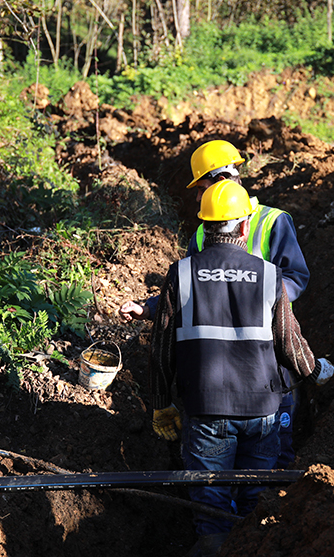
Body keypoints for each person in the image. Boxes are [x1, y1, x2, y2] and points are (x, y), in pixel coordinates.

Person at [146, 179, 334, 557]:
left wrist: (161, 405)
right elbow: (289, 342)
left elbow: (161, 349)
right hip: (262, 411)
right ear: (245, 228)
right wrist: (316, 370)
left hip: (206, 408)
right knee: (256, 495)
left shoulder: (180, 274)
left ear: (204, 226)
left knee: (210, 500)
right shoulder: (268, 276)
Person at [120, 139, 310, 467]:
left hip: (265, 354)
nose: (197, 195)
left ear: (221, 179)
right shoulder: (200, 233)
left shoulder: (273, 222)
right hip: (223, 363)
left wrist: (259, 299)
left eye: (202, 185)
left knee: (275, 456)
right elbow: (185, 288)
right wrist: (149, 308)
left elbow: (295, 277)